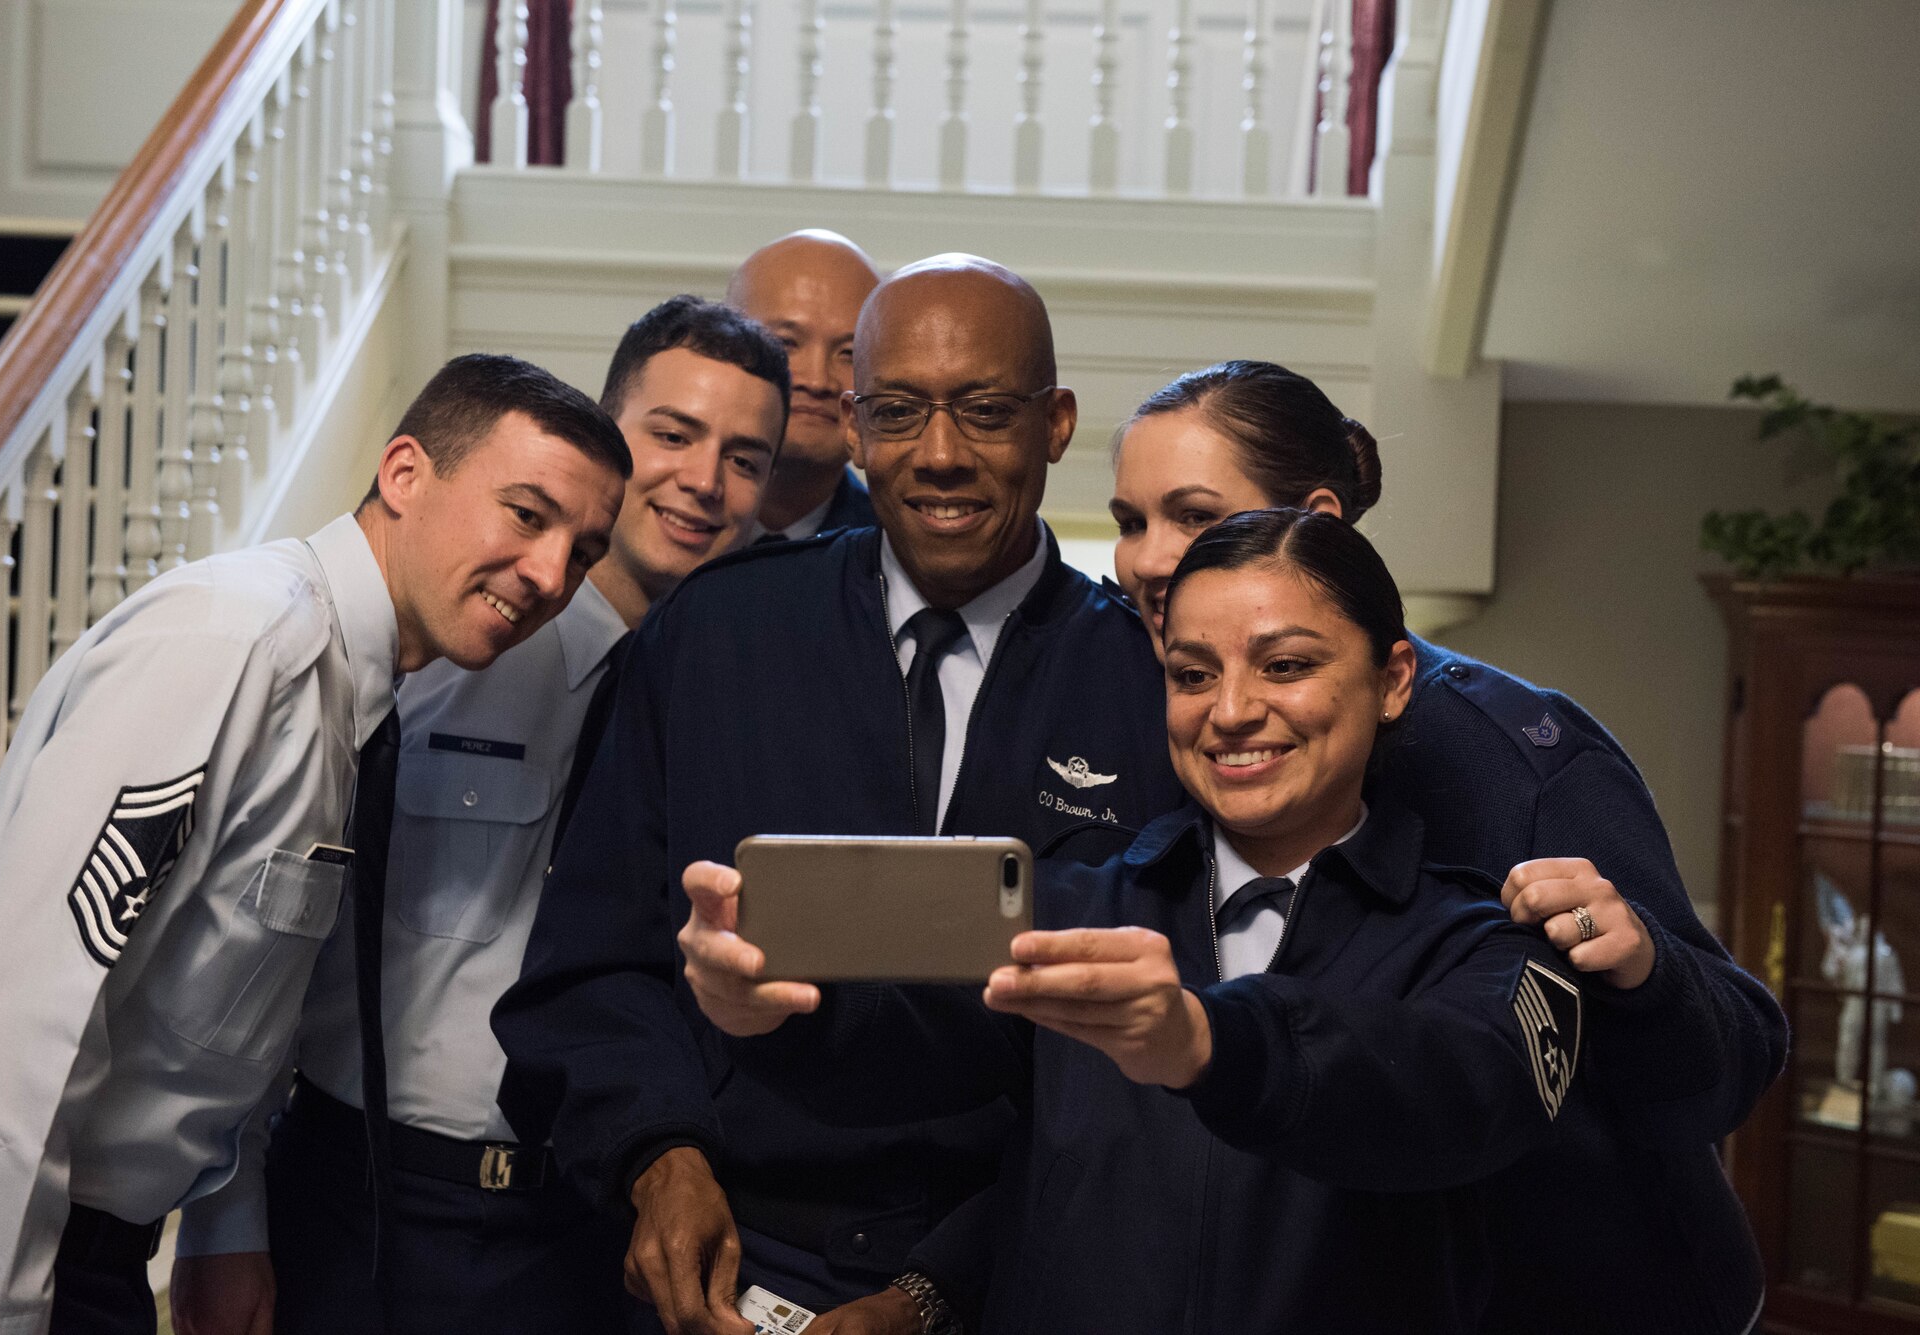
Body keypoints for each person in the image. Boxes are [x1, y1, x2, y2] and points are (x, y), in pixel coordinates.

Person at [493, 255, 1186, 1335]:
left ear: (1054, 424)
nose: (941, 456)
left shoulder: (1149, 688)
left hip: (1012, 1274)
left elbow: (1146, 1064)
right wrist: (655, 1157)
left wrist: (936, 1290)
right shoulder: (715, 637)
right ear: (854, 428)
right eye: (898, 412)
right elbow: (591, 962)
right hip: (716, 1262)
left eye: (986, 413)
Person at [677, 509, 1581, 1333]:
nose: (1230, 712)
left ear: (1392, 680)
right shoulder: (1077, 908)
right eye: (1193, 673)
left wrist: (1207, 1037)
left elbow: (1449, 1093)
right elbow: (903, 1042)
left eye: (1287, 665)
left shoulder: (1483, 945)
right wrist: (768, 1006)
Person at [0, 353, 629, 1335]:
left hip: (103, 1244)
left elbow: (232, 1001)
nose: (552, 575)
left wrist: (221, 1225)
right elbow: (23, 1010)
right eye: (525, 514)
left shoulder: (352, 695)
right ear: (405, 474)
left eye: (584, 551)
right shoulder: (238, 639)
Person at [1106, 359, 1786, 1334]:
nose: (1144, 559)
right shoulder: (1178, 727)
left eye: (1192, 517)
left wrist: (1641, 973)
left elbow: (1730, 1061)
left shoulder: (1523, 759)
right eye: (1130, 522)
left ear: (1323, 527)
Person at [169, 300, 788, 1335]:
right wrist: (221, 1222)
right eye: (671, 435)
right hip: (366, 1200)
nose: (703, 481)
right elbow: (249, 953)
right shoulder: (437, 655)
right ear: (608, 435)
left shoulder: (746, 712)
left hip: (599, 1227)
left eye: (744, 458)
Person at [727, 230, 880, 541]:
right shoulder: (638, 522)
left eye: (848, 353)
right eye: (786, 343)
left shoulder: (896, 550)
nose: (817, 381)